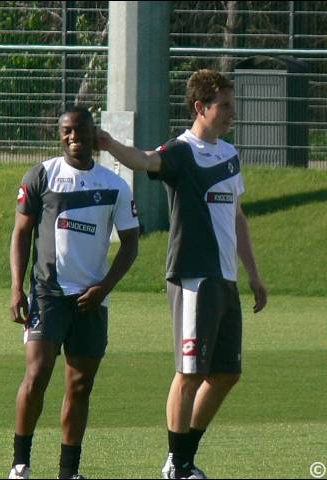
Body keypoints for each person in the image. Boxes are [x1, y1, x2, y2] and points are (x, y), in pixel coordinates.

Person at [96, 69, 268, 479]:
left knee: (226, 374)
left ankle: (183, 458)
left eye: (232, 104)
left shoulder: (230, 154)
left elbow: (237, 217)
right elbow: (144, 161)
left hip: (225, 279)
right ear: (199, 107)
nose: (232, 113)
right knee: (189, 373)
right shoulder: (181, 152)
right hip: (194, 276)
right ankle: (178, 463)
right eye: (224, 106)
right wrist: (110, 143)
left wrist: (254, 274)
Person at [8, 105, 140, 479]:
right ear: (60, 134)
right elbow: (21, 233)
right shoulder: (42, 175)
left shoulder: (115, 185)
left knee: (80, 387)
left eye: (80, 129)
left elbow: (131, 244)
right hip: (47, 295)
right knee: (37, 375)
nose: (73, 136)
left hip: (91, 300)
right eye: (67, 130)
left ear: (93, 133)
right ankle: (20, 464)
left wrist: (104, 287)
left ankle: (68, 471)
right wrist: (16, 288)